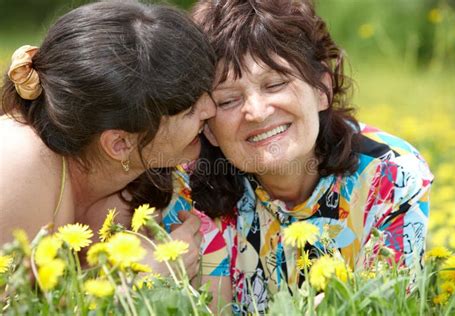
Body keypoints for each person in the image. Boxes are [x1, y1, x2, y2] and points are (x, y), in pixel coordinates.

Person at [159, 0, 434, 313]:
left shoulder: (391, 177)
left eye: (275, 83)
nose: (257, 112)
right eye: (228, 100)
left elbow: (383, 307)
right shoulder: (187, 183)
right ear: (207, 126)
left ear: (322, 89)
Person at [0, 0, 217, 278]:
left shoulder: (135, 188)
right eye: (190, 110)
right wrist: (142, 280)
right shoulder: (19, 166)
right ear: (120, 144)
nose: (211, 110)